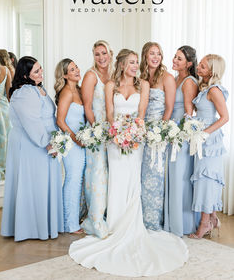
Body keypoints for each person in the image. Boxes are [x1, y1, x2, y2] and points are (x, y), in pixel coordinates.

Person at [69, 49, 188, 277]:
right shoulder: (110, 85)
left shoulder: (143, 84)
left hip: (135, 142)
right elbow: (110, 113)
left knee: (132, 182)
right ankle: (114, 224)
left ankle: (133, 225)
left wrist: (132, 133)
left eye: (136, 62)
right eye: (131, 62)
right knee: (117, 182)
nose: (136, 66)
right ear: (122, 64)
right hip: (114, 142)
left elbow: (141, 114)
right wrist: (116, 133)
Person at [1, 56, 64, 241]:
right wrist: (48, 142)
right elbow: (32, 122)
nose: (41, 73)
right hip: (32, 145)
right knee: (33, 185)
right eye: (36, 71)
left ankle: (45, 225)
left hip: (44, 144)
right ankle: (31, 229)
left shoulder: (38, 88)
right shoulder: (25, 93)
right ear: (25, 75)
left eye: (40, 69)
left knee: (42, 184)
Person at [189, 54, 228, 239]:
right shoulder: (204, 88)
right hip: (200, 139)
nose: (198, 67)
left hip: (210, 142)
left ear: (212, 70)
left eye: (203, 66)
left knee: (206, 180)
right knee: (203, 179)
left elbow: (225, 117)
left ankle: (205, 224)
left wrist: (205, 133)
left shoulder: (214, 91)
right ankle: (212, 218)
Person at [140, 42, 176, 230]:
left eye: (159, 54)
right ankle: (140, 217)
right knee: (141, 177)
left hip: (157, 135)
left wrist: (159, 133)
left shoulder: (167, 78)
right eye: (152, 53)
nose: (155, 57)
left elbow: (169, 108)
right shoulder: (142, 77)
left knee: (155, 177)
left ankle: (153, 221)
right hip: (141, 133)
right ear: (145, 56)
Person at [164, 45, 199, 237]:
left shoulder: (189, 82)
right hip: (170, 134)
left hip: (181, 137)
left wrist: (176, 133)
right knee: (172, 177)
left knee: (179, 179)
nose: (174, 60)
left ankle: (182, 224)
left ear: (189, 63)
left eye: (179, 58)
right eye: (175, 57)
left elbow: (188, 113)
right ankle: (171, 221)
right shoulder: (174, 78)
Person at [80, 40, 113, 238]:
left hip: (113, 132)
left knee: (109, 174)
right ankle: (95, 219)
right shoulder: (90, 76)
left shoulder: (113, 74)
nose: (101, 58)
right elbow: (87, 107)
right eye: (97, 54)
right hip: (97, 133)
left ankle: (108, 214)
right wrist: (97, 131)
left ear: (110, 54)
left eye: (104, 53)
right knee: (98, 175)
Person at [54, 59, 86, 234]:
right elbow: (60, 121)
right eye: (72, 69)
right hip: (72, 144)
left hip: (81, 142)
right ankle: (69, 224)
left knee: (78, 181)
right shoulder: (66, 92)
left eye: (76, 67)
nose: (76, 70)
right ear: (65, 75)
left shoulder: (79, 91)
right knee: (73, 181)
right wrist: (75, 139)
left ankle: (73, 219)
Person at [0, 59, 11, 180]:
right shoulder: (5, 70)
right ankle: (4, 168)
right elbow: (9, 95)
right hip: (4, 109)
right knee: (5, 139)